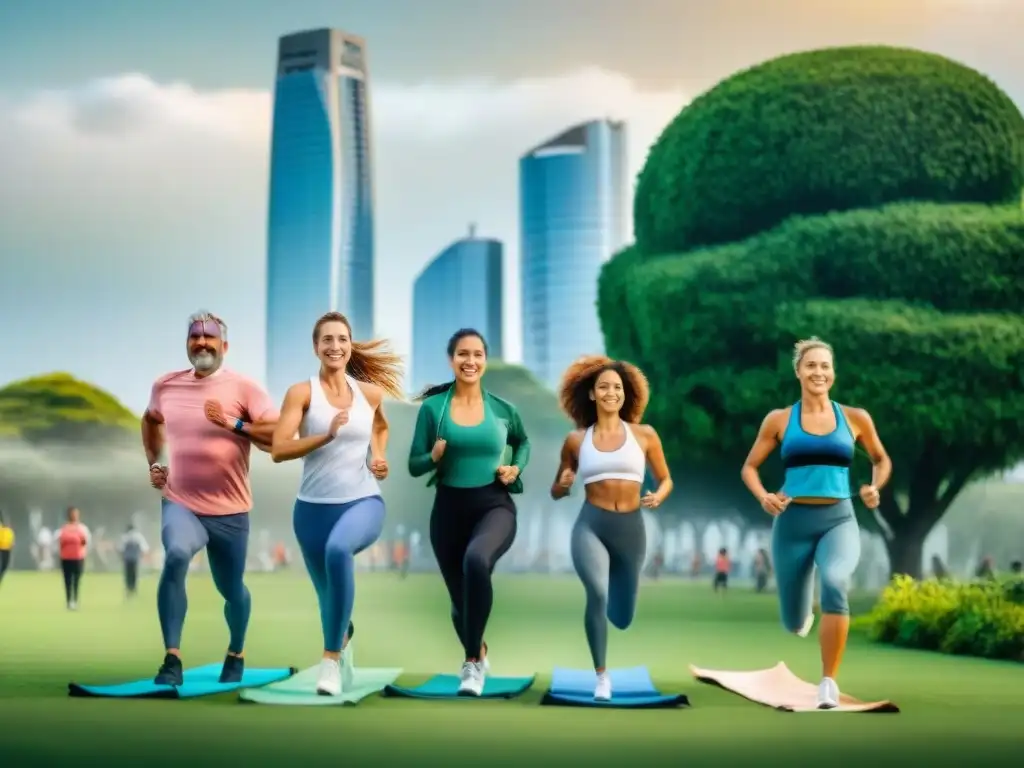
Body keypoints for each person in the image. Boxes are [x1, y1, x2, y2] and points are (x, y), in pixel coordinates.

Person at [740, 336, 891, 709]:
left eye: (825, 366)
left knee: (836, 582)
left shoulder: (855, 419)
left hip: (839, 519)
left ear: (833, 373)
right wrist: (764, 496)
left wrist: (874, 486)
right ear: (798, 372)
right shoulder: (779, 420)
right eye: (811, 365)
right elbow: (749, 467)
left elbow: (881, 460)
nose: (818, 372)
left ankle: (828, 682)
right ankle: (800, 614)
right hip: (792, 523)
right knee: (793, 620)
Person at [142, 310, 279, 686]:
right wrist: (155, 462)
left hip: (231, 511)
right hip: (181, 502)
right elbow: (151, 419)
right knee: (176, 555)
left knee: (231, 589)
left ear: (225, 346)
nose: (201, 343)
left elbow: (275, 435)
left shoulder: (246, 389)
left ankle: (236, 650)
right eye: (195, 337)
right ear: (187, 343)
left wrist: (233, 424)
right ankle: (172, 659)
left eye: (209, 337)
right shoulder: (166, 386)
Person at [271, 311, 403, 696]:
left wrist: (378, 455)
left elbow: (380, 425)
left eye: (342, 339)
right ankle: (344, 638)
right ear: (316, 348)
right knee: (327, 598)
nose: (335, 346)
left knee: (338, 549)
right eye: (327, 340)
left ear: (349, 345)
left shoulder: (369, 394)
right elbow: (279, 448)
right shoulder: (302, 393)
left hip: (362, 502)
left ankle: (329, 662)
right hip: (310, 512)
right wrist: (325, 436)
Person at [408, 328, 531, 696]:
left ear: (485, 360)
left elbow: (522, 442)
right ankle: (479, 649)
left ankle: (471, 665)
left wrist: (516, 468)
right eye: (463, 354)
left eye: (477, 354)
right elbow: (414, 465)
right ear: (451, 360)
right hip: (448, 510)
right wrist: (433, 457)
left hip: (494, 506)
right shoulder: (434, 409)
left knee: (476, 561)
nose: (470, 361)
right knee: (461, 604)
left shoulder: (502, 409)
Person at [550, 355, 672, 701]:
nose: (610, 392)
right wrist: (564, 482)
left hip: (631, 530)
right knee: (598, 594)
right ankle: (602, 676)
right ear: (592, 394)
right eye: (603, 387)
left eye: (616, 387)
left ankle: (615, 619)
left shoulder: (645, 435)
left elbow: (666, 479)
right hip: (591, 526)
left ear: (625, 394)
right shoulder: (576, 440)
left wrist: (659, 495)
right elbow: (556, 490)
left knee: (622, 616)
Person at [57, 507, 90, 610]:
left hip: (78, 557)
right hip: (66, 558)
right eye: (72, 514)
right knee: (67, 580)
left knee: (76, 580)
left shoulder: (82, 528)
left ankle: (75, 600)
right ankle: (68, 601)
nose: (74, 516)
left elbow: (86, 542)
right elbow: (59, 542)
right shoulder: (63, 528)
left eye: (76, 514)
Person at [118, 523, 150, 598]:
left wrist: (121, 556)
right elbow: (144, 548)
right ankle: (134, 588)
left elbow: (121, 548)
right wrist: (141, 555)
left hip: (127, 558)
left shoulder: (125, 537)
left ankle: (129, 588)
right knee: (134, 573)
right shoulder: (138, 536)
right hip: (135, 558)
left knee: (128, 574)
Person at [0, 512, 14, 587]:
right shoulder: (1, 529)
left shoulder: (9, 531)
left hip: (7, 550)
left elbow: (11, 541)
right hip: (1, 550)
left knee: (4, 566)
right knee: (1, 566)